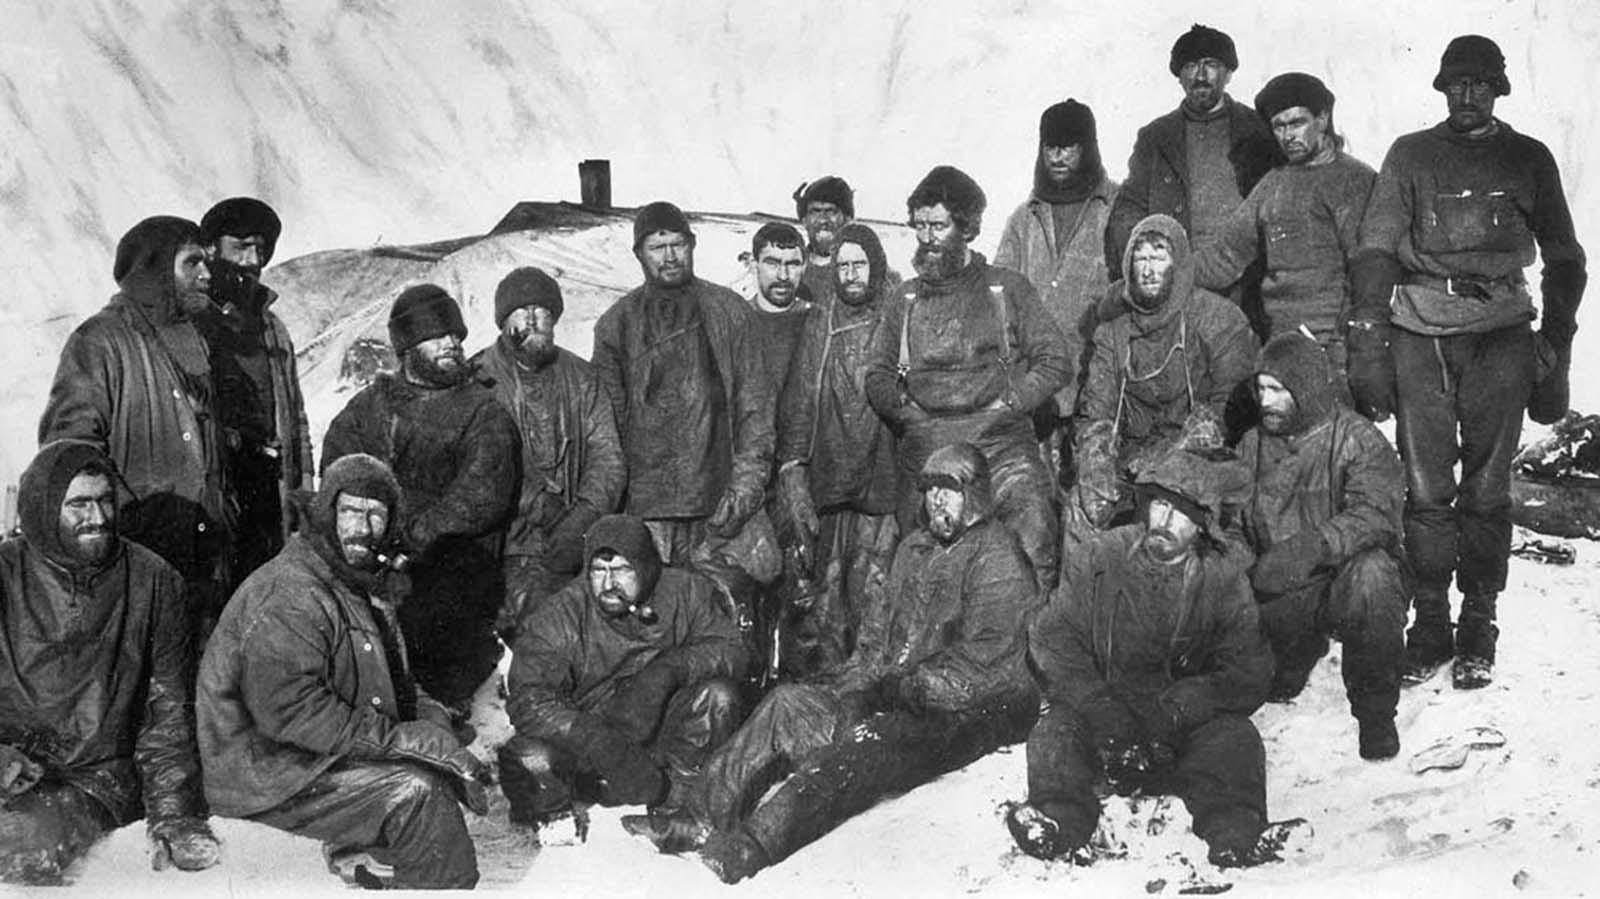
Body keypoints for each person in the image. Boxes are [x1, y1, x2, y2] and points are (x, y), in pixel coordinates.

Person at [624, 444, 1039, 884]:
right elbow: (879, 637)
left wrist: (901, 691)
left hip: (960, 716)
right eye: (930, 488)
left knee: (862, 745)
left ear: (974, 495)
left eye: (949, 489)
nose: (936, 500)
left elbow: (985, 663)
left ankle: (753, 845)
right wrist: (855, 684)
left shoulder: (996, 558)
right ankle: (699, 815)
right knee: (787, 704)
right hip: (895, 694)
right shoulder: (915, 549)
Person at [1350, 34, 1588, 689]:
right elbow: (1375, 252)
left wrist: (1556, 348)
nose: (1468, 94)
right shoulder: (1411, 155)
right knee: (1426, 490)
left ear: (1499, 89)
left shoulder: (1528, 158)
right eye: (1457, 82)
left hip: (1500, 335)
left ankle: (1479, 624)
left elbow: (1566, 260)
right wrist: (1369, 343)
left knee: (1487, 490)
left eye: (1481, 83)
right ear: (1442, 87)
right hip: (1421, 332)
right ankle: (1428, 626)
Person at [197, 453, 484, 890]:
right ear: (325, 512)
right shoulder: (292, 592)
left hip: (306, 761)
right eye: (350, 510)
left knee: (429, 770)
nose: (363, 529)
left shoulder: (354, 583)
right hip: (267, 775)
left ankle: (379, 862)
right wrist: (400, 740)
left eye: (376, 515)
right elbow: (289, 710)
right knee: (417, 793)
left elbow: (393, 682)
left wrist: (434, 726)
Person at [1006, 447, 1286, 869]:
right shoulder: (1102, 556)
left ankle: (1235, 835)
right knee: (1055, 730)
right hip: (1107, 720)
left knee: (1236, 738)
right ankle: (1059, 823)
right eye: (1159, 504)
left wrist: (1184, 705)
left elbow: (1249, 668)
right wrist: (1097, 704)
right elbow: (1052, 635)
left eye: (1181, 513)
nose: (1164, 522)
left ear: (1202, 525)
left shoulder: (1222, 577)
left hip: (1180, 728)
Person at [1, 441, 219, 884]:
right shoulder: (5, 575)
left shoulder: (153, 581)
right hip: (8, 766)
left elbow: (167, 716)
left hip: (94, 779)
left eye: (105, 501)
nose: (98, 518)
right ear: (43, 507)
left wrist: (175, 815)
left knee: (20, 846)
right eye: (79, 504)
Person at [864, 165, 1069, 587]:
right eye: (919, 226)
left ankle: (1031, 647)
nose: (926, 238)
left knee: (1033, 542)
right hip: (929, 451)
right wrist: (907, 413)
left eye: (938, 225)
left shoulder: (1005, 290)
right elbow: (877, 374)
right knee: (925, 569)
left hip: (1001, 448)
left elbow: (1054, 359)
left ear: (968, 228)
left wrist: (1011, 402)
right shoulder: (904, 300)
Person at [322, 284, 519, 711]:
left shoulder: (482, 410)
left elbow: (482, 494)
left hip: (447, 568)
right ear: (407, 346)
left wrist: (413, 538)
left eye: (457, 336)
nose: (452, 344)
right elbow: (339, 471)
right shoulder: (368, 407)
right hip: (376, 558)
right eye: (437, 336)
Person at [590, 201, 777, 647]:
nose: (670, 256)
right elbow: (607, 426)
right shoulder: (616, 325)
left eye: (678, 244)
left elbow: (755, 408)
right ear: (640, 254)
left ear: (692, 246)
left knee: (722, 618)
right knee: (654, 620)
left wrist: (745, 488)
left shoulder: (730, 313)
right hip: (648, 510)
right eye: (658, 247)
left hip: (717, 507)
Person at [39, 215, 233, 632]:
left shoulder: (197, 343)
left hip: (202, 562)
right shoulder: (100, 341)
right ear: (157, 269)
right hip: (134, 563)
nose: (206, 274)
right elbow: (70, 452)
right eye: (192, 263)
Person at [500, 514, 745, 826]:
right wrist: (595, 739)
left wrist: (671, 669)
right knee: (531, 758)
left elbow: (733, 651)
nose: (609, 583)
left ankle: (681, 800)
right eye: (598, 571)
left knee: (718, 698)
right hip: (590, 742)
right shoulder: (560, 615)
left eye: (622, 570)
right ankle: (561, 814)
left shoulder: (687, 592)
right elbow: (528, 700)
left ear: (645, 567)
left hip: (661, 741)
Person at [1238, 334, 1406, 760]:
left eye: (1277, 390)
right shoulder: (1251, 444)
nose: (1265, 401)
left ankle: (1375, 715)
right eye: (1260, 388)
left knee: (1374, 576)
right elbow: (1231, 520)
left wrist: (1313, 547)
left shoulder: (1357, 439)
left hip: (1339, 582)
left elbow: (1375, 514)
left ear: (1306, 388)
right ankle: (1289, 663)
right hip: (1279, 589)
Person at [1072, 214, 1258, 531]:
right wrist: (1096, 464)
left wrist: (1172, 456)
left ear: (1179, 263)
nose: (1148, 270)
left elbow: (1231, 403)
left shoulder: (1216, 318)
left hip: (1200, 457)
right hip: (1130, 461)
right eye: (1140, 258)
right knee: (1081, 506)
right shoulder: (1113, 331)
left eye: (1159, 258)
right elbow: (1096, 409)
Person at [1192, 74, 1376, 390]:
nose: (1288, 135)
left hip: (1336, 349)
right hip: (1281, 344)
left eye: (1297, 123)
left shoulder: (1354, 180)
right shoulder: (1273, 184)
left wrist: (1344, 347)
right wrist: (1169, 272)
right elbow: (1225, 255)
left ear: (1322, 119)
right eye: (1279, 126)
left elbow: (1367, 272)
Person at [774, 222, 901, 677]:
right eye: (842, 265)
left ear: (876, 265)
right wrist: (793, 469)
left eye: (859, 264)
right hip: (830, 480)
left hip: (883, 478)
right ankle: (820, 685)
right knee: (826, 595)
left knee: (875, 587)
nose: (850, 274)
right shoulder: (820, 320)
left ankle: (868, 686)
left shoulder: (898, 311)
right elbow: (803, 400)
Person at [473, 267, 625, 640]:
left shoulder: (582, 378)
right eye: (520, 313)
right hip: (499, 543)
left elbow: (607, 457)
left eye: (542, 312)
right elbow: (479, 462)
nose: (531, 321)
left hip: (568, 543)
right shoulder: (477, 378)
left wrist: (583, 516)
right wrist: (535, 503)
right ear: (503, 321)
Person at [1105, 23, 1277, 300]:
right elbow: (1130, 207)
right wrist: (1148, 266)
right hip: (1175, 285)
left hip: (1244, 284)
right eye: (1190, 66)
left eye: (1210, 64)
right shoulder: (1156, 137)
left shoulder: (1257, 131)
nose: (1200, 75)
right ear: (1179, 76)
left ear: (1229, 73)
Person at [996, 98, 1121, 471]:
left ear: (1088, 148)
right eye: (1050, 147)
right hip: (1037, 386)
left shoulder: (1115, 207)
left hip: (1094, 378)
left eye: (1069, 146)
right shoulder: (1024, 218)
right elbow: (1000, 297)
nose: (1058, 156)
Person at [196, 197, 315, 584]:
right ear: (211, 249)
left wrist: (304, 497)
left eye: (260, 250)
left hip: (268, 492)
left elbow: (296, 418)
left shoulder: (273, 328)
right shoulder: (193, 323)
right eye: (241, 246)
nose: (251, 261)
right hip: (215, 490)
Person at [793, 176, 855, 304]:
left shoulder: (869, 273)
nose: (822, 220)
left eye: (831, 211)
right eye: (815, 212)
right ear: (804, 220)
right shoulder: (788, 269)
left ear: (848, 219)